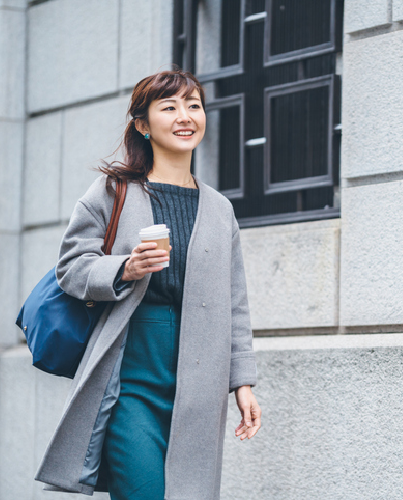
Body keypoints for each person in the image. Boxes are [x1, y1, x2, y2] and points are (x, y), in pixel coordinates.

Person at [35, 69, 261, 500]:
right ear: (143, 124)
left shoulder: (219, 209)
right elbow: (72, 266)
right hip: (130, 376)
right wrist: (125, 269)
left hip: (199, 379)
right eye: (170, 106)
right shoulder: (113, 190)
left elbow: (236, 303)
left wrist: (243, 383)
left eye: (193, 105)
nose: (185, 116)